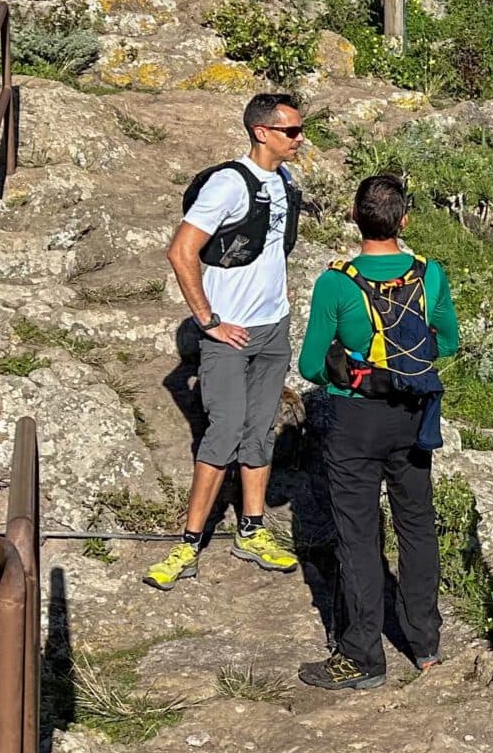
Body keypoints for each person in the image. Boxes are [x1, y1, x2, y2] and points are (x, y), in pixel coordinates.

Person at [295, 172, 458, 690]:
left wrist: (347, 365)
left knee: (357, 535)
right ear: (404, 220)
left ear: (353, 216)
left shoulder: (335, 282)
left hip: (354, 421)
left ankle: (363, 654)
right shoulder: (429, 275)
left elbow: (309, 366)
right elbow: (447, 343)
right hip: (414, 415)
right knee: (416, 524)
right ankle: (425, 644)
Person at [145, 91, 310, 589]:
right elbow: (181, 251)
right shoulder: (227, 185)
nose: (300, 139)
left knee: (260, 431)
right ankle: (189, 541)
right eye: (291, 132)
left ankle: (252, 529)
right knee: (223, 433)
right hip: (230, 335)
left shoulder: (284, 181)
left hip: (272, 328)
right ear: (262, 132)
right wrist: (208, 320)